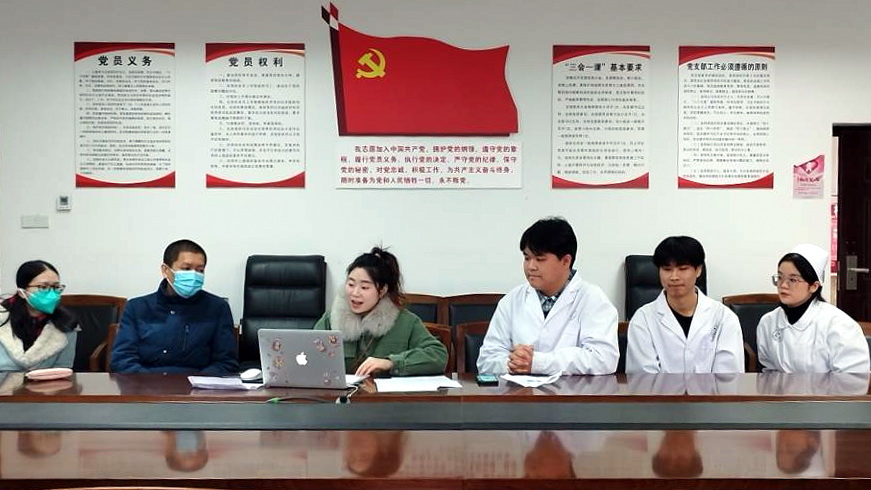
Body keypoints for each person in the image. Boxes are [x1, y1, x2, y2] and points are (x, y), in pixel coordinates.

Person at [477, 217, 619, 375]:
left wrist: (539, 363)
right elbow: (486, 360)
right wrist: (514, 363)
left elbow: (603, 359)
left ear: (566, 261)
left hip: (571, 390)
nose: (531, 266)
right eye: (527, 258)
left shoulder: (592, 299)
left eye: (540, 259)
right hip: (521, 390)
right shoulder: (512, 300)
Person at [314, 247, 447, 377]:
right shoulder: (332, 318)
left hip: (386, 392)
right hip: (341, 391)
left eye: (364, 287)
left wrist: (391, 363)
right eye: (351, 284)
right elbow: (309, 352)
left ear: (382, 291)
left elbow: (438, 355)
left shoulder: (405, 322)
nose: (355, 293)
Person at [111, 239, 238, 375]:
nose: (194, 275)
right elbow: (122, 360)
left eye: (200, 270)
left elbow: (226, 362)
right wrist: (151, 382)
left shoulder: (217, 308)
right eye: (186, 269)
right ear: (166, 270)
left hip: (198, 384)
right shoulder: (137, 307)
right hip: (145, 383)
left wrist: (197, 382)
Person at [626, 236, 744, 373]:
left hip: (712, 388)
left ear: (698, 270)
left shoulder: (724, 318)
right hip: (658, 388)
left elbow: (728, 376)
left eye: (682, 269)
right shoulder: (643, 319)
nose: (674, 277)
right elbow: (643, 377)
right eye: (667, 269)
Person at [757, 244, 869, 373]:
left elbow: (854, 378)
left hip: (828, 387)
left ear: (814, 286)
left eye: (792, 280)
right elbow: (769, 371)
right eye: (780, 277)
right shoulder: (768, 322)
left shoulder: (839, 325)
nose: (783, 285)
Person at [0, 260, 77, 372]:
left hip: (46, 382)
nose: (51, 294)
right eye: (43, 287)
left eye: (56, 287)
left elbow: (63, 368)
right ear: (22, 292)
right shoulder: (2, 317)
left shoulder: (67, 323)